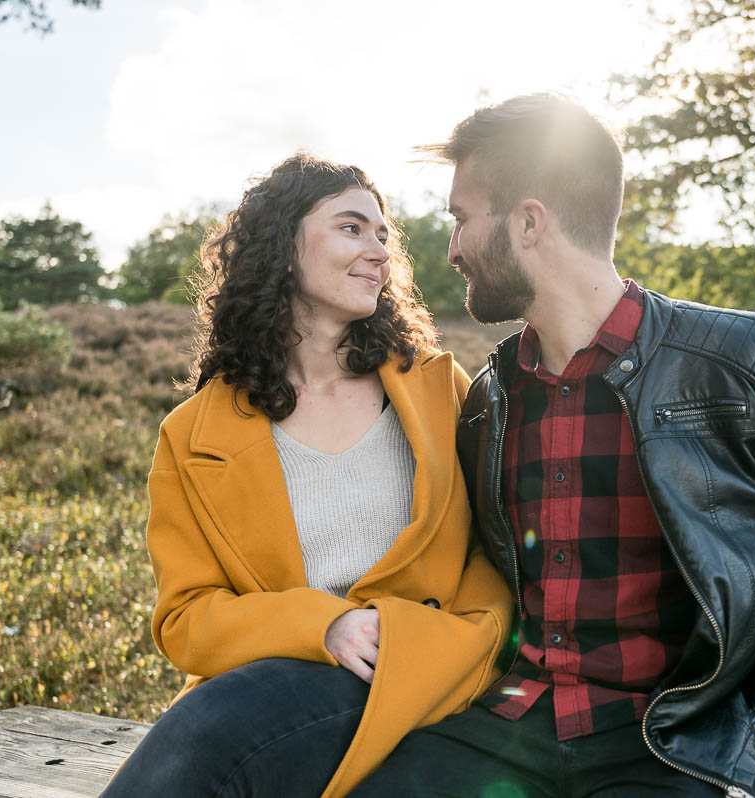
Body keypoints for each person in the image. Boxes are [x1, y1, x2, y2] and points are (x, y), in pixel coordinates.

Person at [350, 95, 755, 798]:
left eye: (461, 219)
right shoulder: (488, 400)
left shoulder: (753, 360)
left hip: (675, 744)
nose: (452, 250)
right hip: (505, 722)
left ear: (528, 223)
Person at [101, 153, 511, 798]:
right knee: (210, 729)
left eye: (383, 234)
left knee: (208, 732)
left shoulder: (439, 390)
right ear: (283, 248)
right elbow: (186, 616)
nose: (378, 250)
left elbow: (499, 545)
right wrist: (320, 626)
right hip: (274, 694)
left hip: (421, 673)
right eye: (351, 228)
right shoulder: (192, 435)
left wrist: (458, 637)